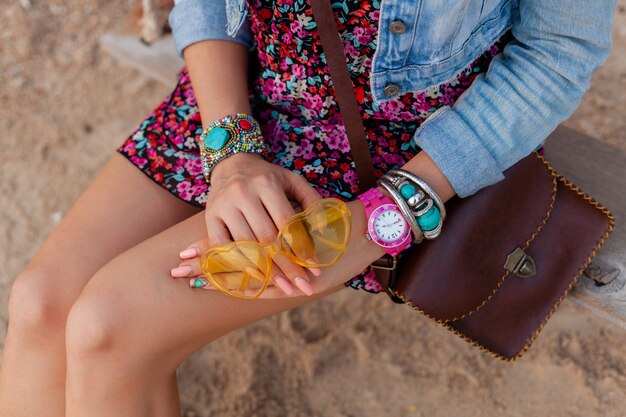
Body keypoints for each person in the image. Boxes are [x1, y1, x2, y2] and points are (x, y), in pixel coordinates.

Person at [0, 0, 615, 415]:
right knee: (40, 307)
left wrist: (389, 215)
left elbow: (556, 52)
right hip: (240, 97)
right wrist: (233, 151)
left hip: (397, 148)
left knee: (109, 329)